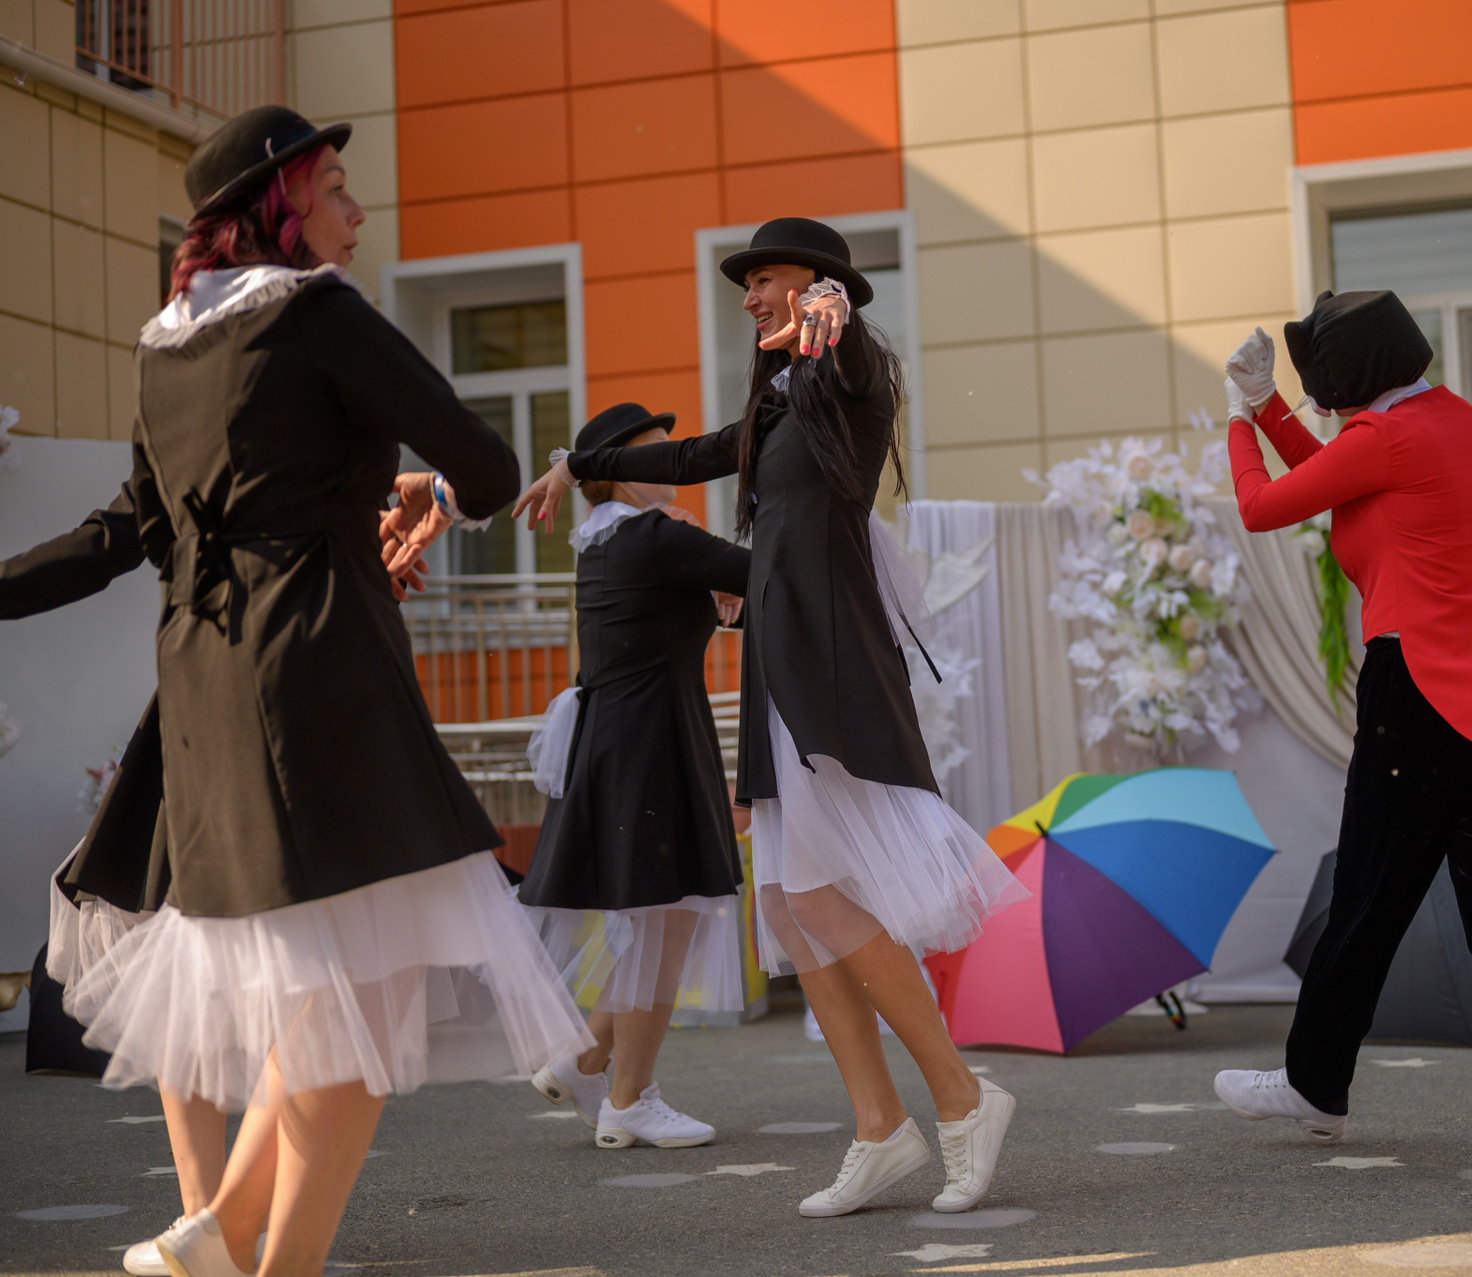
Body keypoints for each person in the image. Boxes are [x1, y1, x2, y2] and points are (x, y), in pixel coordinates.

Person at [63, 105, 590, 1277]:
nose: (357, 209)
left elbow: (136, 530)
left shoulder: (162, 347)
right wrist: (419, 502)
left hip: (204, 675)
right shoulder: (319, 312)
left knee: (320, 995)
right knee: (367, 994)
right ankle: (241, 1244)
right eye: (336, 185)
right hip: (322, 667)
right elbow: (490, 465)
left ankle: (220, 1234)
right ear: (280, 205)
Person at [516, 218, 1024, 1218]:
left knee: (822, 899)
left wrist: (836, 314)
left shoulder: (846, 372)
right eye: (744, 284)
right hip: (780, 662)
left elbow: (849, 349)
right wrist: (578, 463)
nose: (749, 296)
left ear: (817, 283)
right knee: (789, 905)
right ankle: (879, 1127)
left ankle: (964, 1097)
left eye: (768, 279)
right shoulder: (780, 397)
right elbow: (696, 453)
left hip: (825, 664)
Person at [1209, 290, 1472, 1177]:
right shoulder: (1454, 419)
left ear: (1353, 376)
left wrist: (1241, 418)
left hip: (1418, 692)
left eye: (1320, 382)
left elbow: (1264, 505)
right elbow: (1338, 469)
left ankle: (1316, 1083)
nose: (1318, 398)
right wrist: (1270, 407)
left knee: (1367, 899)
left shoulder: (1383, 439)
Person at [5, 478, 428, 1276]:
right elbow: (107, 539)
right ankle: (212, 1224)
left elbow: (106, 540)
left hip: (290, 697)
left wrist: (362, 561)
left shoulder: (288, 423)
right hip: (239, 704)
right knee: (200, 963)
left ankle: (222, 1227)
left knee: (301, 974)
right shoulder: (238, 420)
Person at [517, 402, 750, 1150]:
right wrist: (720, 574)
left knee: (661, 922)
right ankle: (629, 1099)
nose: (669, 462)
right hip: (649, 743)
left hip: (636, 737)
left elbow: (724, 592)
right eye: (654, 453)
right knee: (665, 919)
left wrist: (717, 587)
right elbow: (763, 572)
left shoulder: (614, 539)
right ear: (619, 472)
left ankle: (587, 1064)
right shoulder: (652, 537)